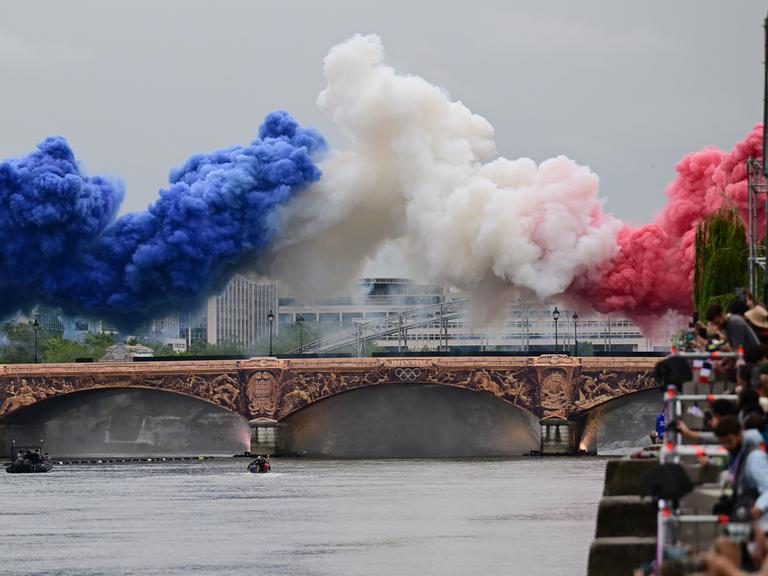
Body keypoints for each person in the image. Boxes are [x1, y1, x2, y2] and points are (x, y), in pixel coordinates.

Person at [714, 416, 768, 525]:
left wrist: (759, 507)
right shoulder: (741, 452)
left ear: (739, 434)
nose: (727, 446)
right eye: (722, 443)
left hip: (761, 521)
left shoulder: (754, 457)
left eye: (729, 441)